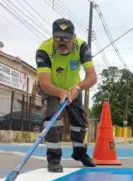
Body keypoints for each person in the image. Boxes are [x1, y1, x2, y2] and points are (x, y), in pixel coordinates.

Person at [35, 18, 98, 172]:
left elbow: (92, 77)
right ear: (52, 36)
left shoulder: (82, 47)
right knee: (53, 121)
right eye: (58, 38)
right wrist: (60, 92)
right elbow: (44, 83)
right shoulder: (44, 50)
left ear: (74, 37)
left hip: (74, 89)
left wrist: (77, 87)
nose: (62, 42)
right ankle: (54, 158)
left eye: (66, 38)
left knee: (80, 122)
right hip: (52, 90)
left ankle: (79, 152)